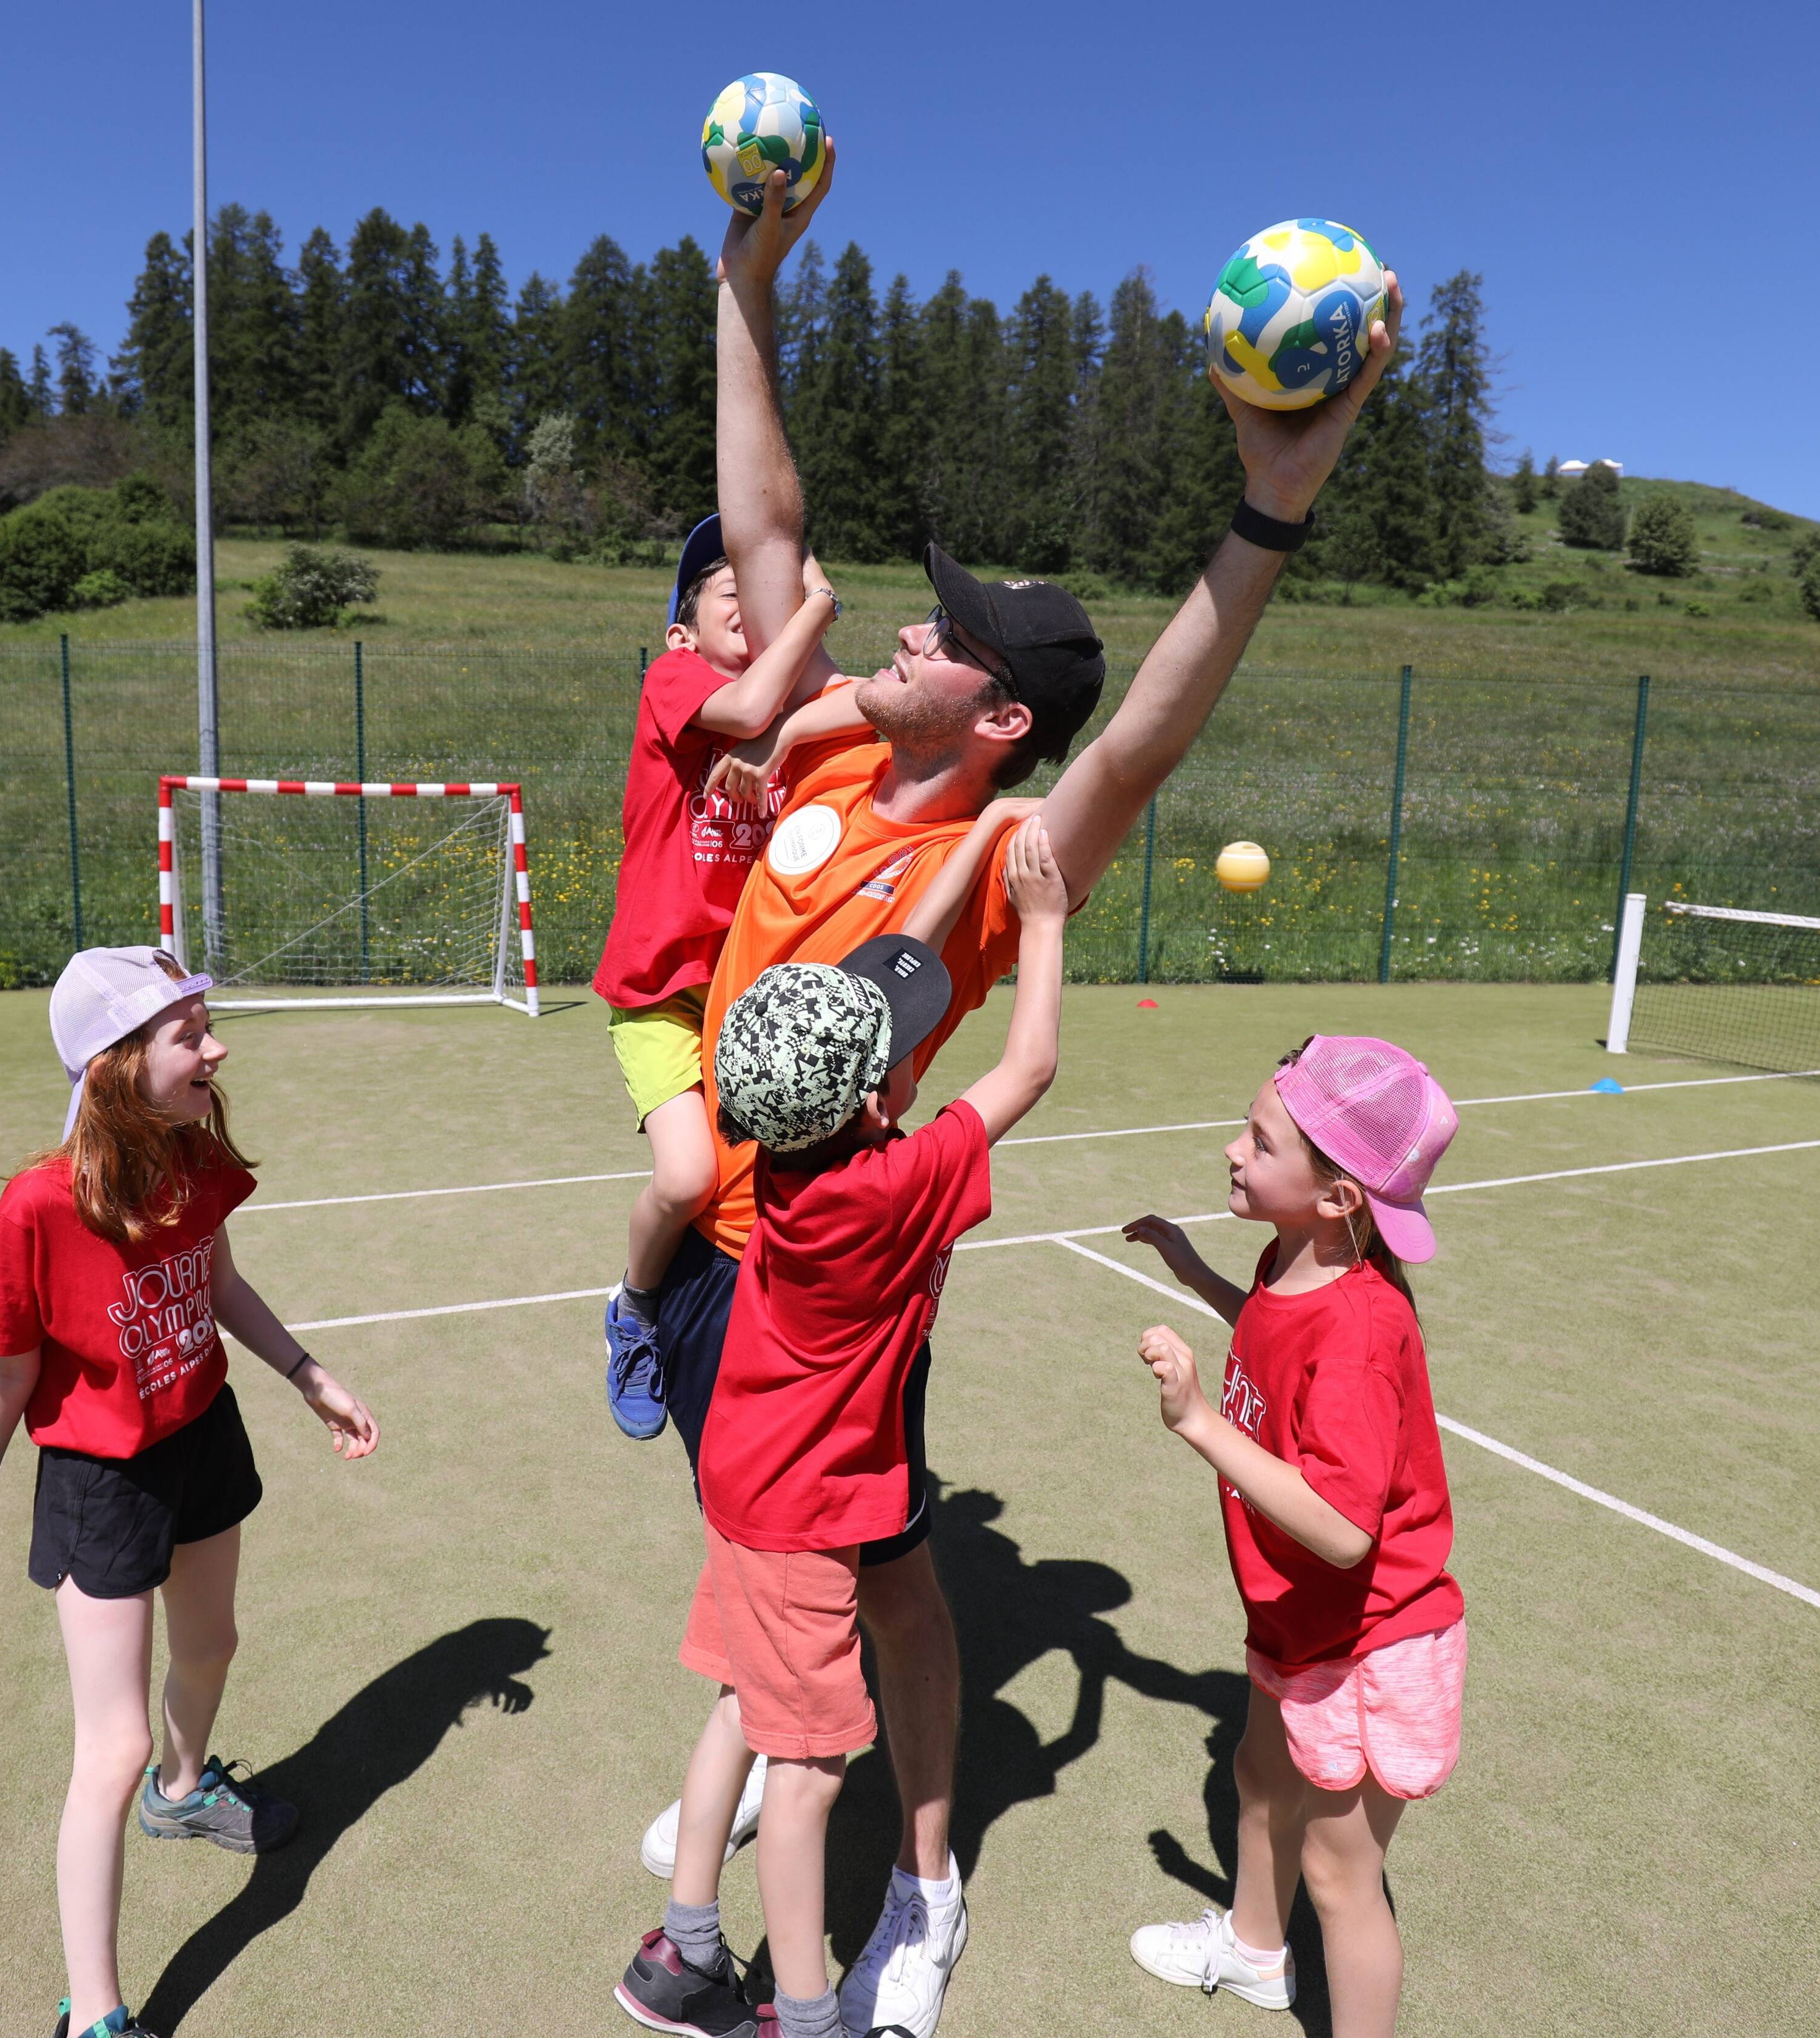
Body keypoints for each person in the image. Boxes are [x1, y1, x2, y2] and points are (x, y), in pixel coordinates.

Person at [629, 137, 1400, 2038]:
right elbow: (765, 513)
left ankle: (925, 1876)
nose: (903, 623)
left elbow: (1139, 735)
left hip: (838, 1272)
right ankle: (762, 1762)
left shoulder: (988, 866)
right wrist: (746, 286)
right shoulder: (815, 758)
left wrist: (1271, 516)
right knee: (774, 1559)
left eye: (946, 634)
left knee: (886, 1571)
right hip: (738, 1252)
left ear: (992, 721)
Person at [618, 827, 1072, 2038]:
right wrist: (1039, 918)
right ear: (879, 1096)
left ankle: (683, 1948)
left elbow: (861, 1015)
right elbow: (1026, 1066)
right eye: (898, 1052)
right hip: (807, 1510)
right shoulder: (889, 1185)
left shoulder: (777, 1151)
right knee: (810, 1770)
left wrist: (968, 856)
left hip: (742, 1475)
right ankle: (807, 2012)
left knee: (742, 1707)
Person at [0, 947, 380, 2038]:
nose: (216, 1046)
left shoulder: (192, 1153)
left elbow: (219, 1282)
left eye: (205, 1023)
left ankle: (184, 1796)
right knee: (113, 1742)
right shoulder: (38, 1207)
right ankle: (93, 2013)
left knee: (214, 1645)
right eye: (188, 1032)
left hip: (201, 1436)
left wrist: (309, 1376)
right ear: (114, 1063)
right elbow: (5, 1371)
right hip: (101, 1477)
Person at [1117, 1036, 1464, 2037]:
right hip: (1301, 1623)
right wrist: (1196, 1273)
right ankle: (1255, 1953)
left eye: (1260, 1141)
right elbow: (1273, 1337)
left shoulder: (1362, 1330)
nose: (1233, 1148)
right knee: (1259, 1777)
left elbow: (1348, 1530)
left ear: (1340, 1197)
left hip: (1374, 1639)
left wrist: (1197, 1420)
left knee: (1341, 1871)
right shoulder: (1290, 1261)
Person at [597, 521, 849, 1438]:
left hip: (743, 995)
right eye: (723, 586)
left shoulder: (791, 722)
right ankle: (633, 1309)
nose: (747, 596)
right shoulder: (671, 682)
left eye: (761, 582)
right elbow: (742, 712)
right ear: (682, 630)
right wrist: (819, 603)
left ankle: (754, 1339)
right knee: (690, 1177)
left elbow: (863, 710)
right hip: (661, 991)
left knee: (772, 1186)